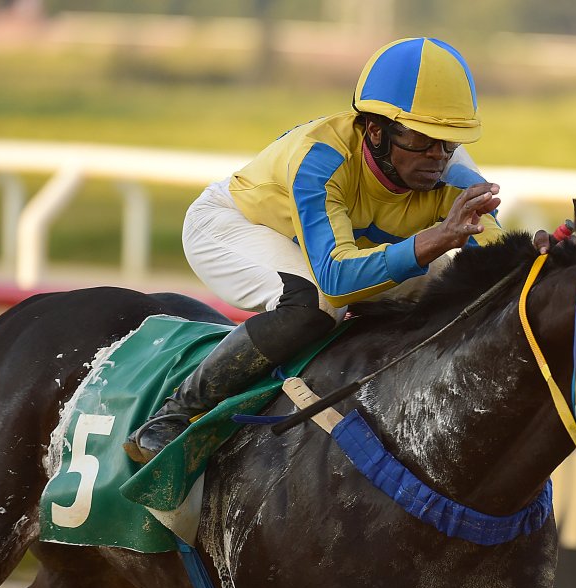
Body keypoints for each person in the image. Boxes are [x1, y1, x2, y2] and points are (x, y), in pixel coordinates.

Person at [124, 37, 549, 463]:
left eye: (448, 141)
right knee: (317, 304)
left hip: (333, 251)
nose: (437, 157)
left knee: (451, 284)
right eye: (422, 140)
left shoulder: (454, 174)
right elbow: (337, 281)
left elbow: (492, 262)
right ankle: (174, 413)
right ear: (376, 130)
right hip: (233, 227)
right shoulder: (320, 159)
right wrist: (433, 240)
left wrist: (536, 259)